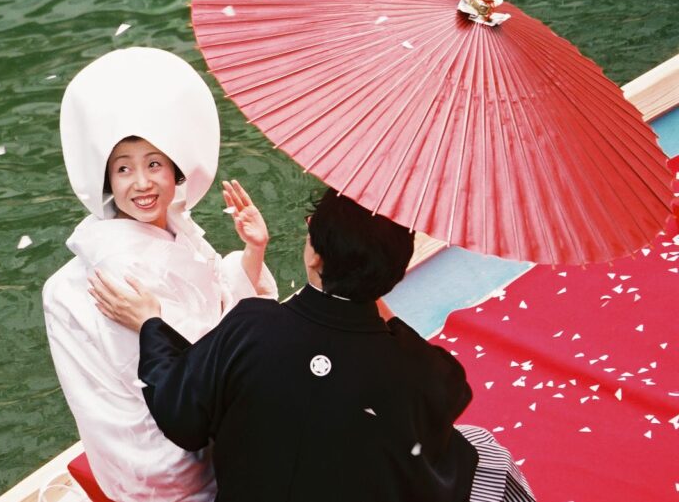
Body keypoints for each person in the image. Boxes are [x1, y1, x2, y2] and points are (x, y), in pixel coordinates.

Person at [91, 188, 535, 502]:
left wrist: (150, 323)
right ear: (396, 273)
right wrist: (372, 293)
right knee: (484, 452)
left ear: (314, 253)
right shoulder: (414, 366)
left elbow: (181, 418)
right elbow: (453, 390)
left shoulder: (251, 326)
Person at [43, 47, 277, 501]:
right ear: (108, 182)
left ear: (174, 170)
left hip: (176, 412)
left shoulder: (169, 226)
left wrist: (253, 251)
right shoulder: (121, 269)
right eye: (123, 169)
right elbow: (199, 374)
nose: (142, 183)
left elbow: (216, 307)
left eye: (153, 164)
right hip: (169, 454)